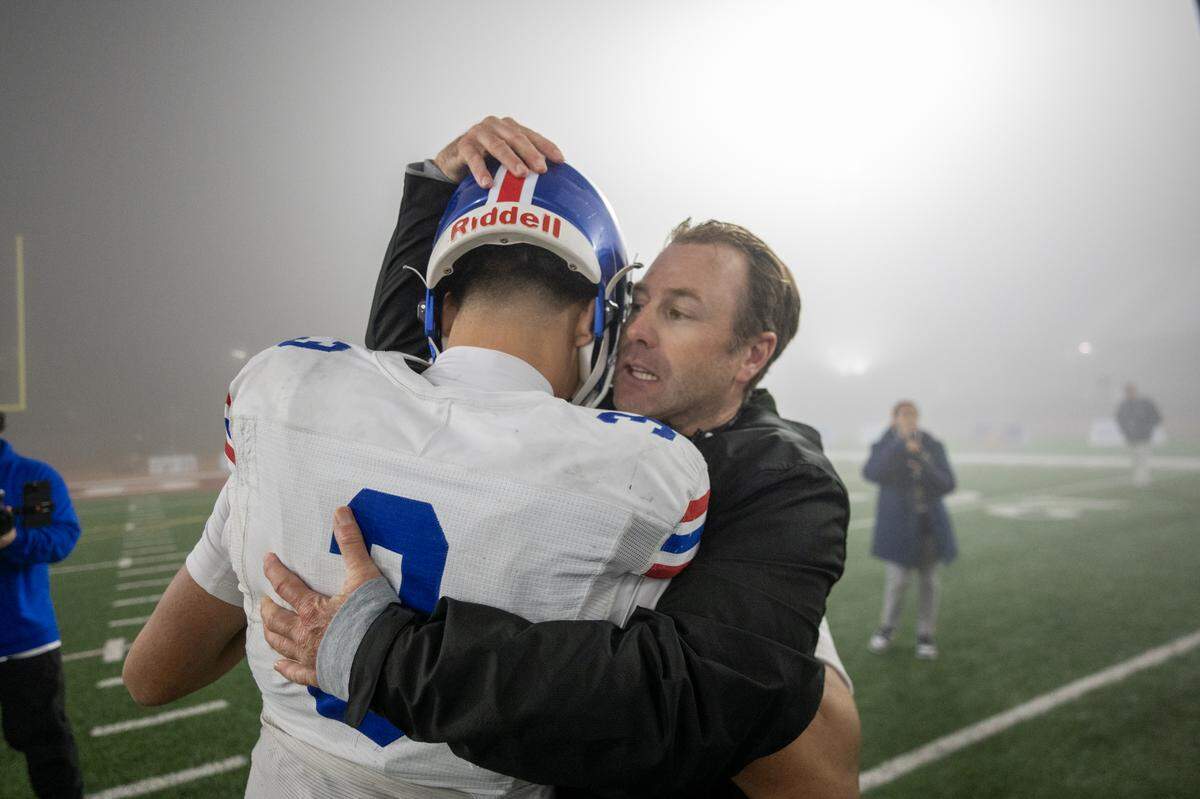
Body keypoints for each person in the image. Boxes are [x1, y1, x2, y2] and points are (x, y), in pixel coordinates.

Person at [263, 117, 855, 798]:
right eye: (637, 302)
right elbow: (422, 401)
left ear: (753, 353)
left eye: (680, 313)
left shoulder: (781, 482)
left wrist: (387, 653)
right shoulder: (592, 413)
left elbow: (687, 700)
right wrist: (438, 195)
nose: (635, 329)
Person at [124, 162, 716, 797]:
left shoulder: (286, 399)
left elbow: (153, 676)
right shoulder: (641, 474)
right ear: (589, 320)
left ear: (440, 303)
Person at [0, 411, 84, 798]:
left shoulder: (32, 477)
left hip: (25, 638)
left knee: (48, 750)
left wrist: (12, 540)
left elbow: (63, 538)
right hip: (25, 637)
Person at [864, 400, 956, 660]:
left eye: (913, 415)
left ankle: (925, 635)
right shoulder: (884, 444)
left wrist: (922, 461)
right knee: (897, 582)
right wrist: (899, 445)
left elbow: (948, 483)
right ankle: (886, 629)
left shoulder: (931, 444)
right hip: (898, 527)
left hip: (929, 525)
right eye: (904, 415)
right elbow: (871, 472)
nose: (909, 420)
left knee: (929, 582)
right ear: (893, 419)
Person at [1115, 382, 1162, 487]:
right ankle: (1141, 479)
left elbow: (1156, 417)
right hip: (1131, 438)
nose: (1129, 393)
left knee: (1143, 458)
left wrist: (1148, 428)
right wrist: (1126, 431)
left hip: (1144, 437)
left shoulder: (1145, 403)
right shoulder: (1124, 405)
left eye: (1130, 391)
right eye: (1127, 391)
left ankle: (1142, 481)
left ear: (1135, 391)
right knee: (1136, 459)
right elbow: (1119, 420)